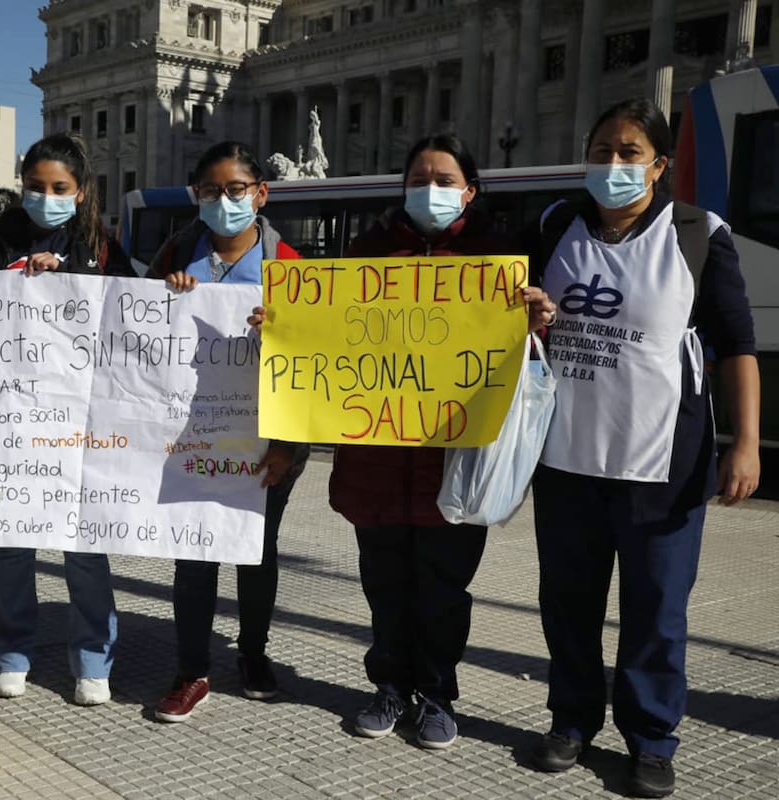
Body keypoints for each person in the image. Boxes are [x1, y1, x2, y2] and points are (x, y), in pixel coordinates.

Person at [528, 98, 759, 799]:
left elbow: (737, 344)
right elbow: (510, 317)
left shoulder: (698, 233)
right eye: (602, 150)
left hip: (664, 464)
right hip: (566, 457)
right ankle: (571, 720)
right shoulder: (556, 224)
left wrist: (745, 443)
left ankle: (652, 739)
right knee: (567, 603)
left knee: (657, 612)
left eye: (630, 153)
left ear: (659, 165)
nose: (613, 165)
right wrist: (528, 315)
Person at [323, 134, 555, 750]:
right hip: (375, 460)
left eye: (445, 179)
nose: (431, 189)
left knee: (444, 592)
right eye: (419, 177)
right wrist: (287, 327)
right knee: (385, 587)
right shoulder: (367, 253)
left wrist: (534, 324)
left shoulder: (498, 256)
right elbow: (330, 342)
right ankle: (389, 687)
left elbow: (521, 367)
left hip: (457, 463)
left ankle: (435, 694)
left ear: (470, 191)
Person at [0, 132, 135, 707]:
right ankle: (11, 653)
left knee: (85, 546)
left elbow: (140, 318)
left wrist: (67, 281)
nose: (46, 196)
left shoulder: (103, 251)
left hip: (79, 424)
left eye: (59, 187)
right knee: (10, 541)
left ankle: (93, 659)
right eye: (35, 186)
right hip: (8, 420)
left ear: (81, 192)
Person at [145, 141, 310, 723]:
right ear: (197, 196)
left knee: (255, 553)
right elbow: (135, 335)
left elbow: (313, 368)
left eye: (236, 189)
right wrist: (165, 297)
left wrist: (289, 448)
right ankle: (191, 670)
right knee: (194, 554)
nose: (224, 201)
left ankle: (254, 655)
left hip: (268, 440)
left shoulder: (288, 264)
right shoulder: (175, 253)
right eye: (211, 191)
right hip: (193, 436)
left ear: (261, 194)